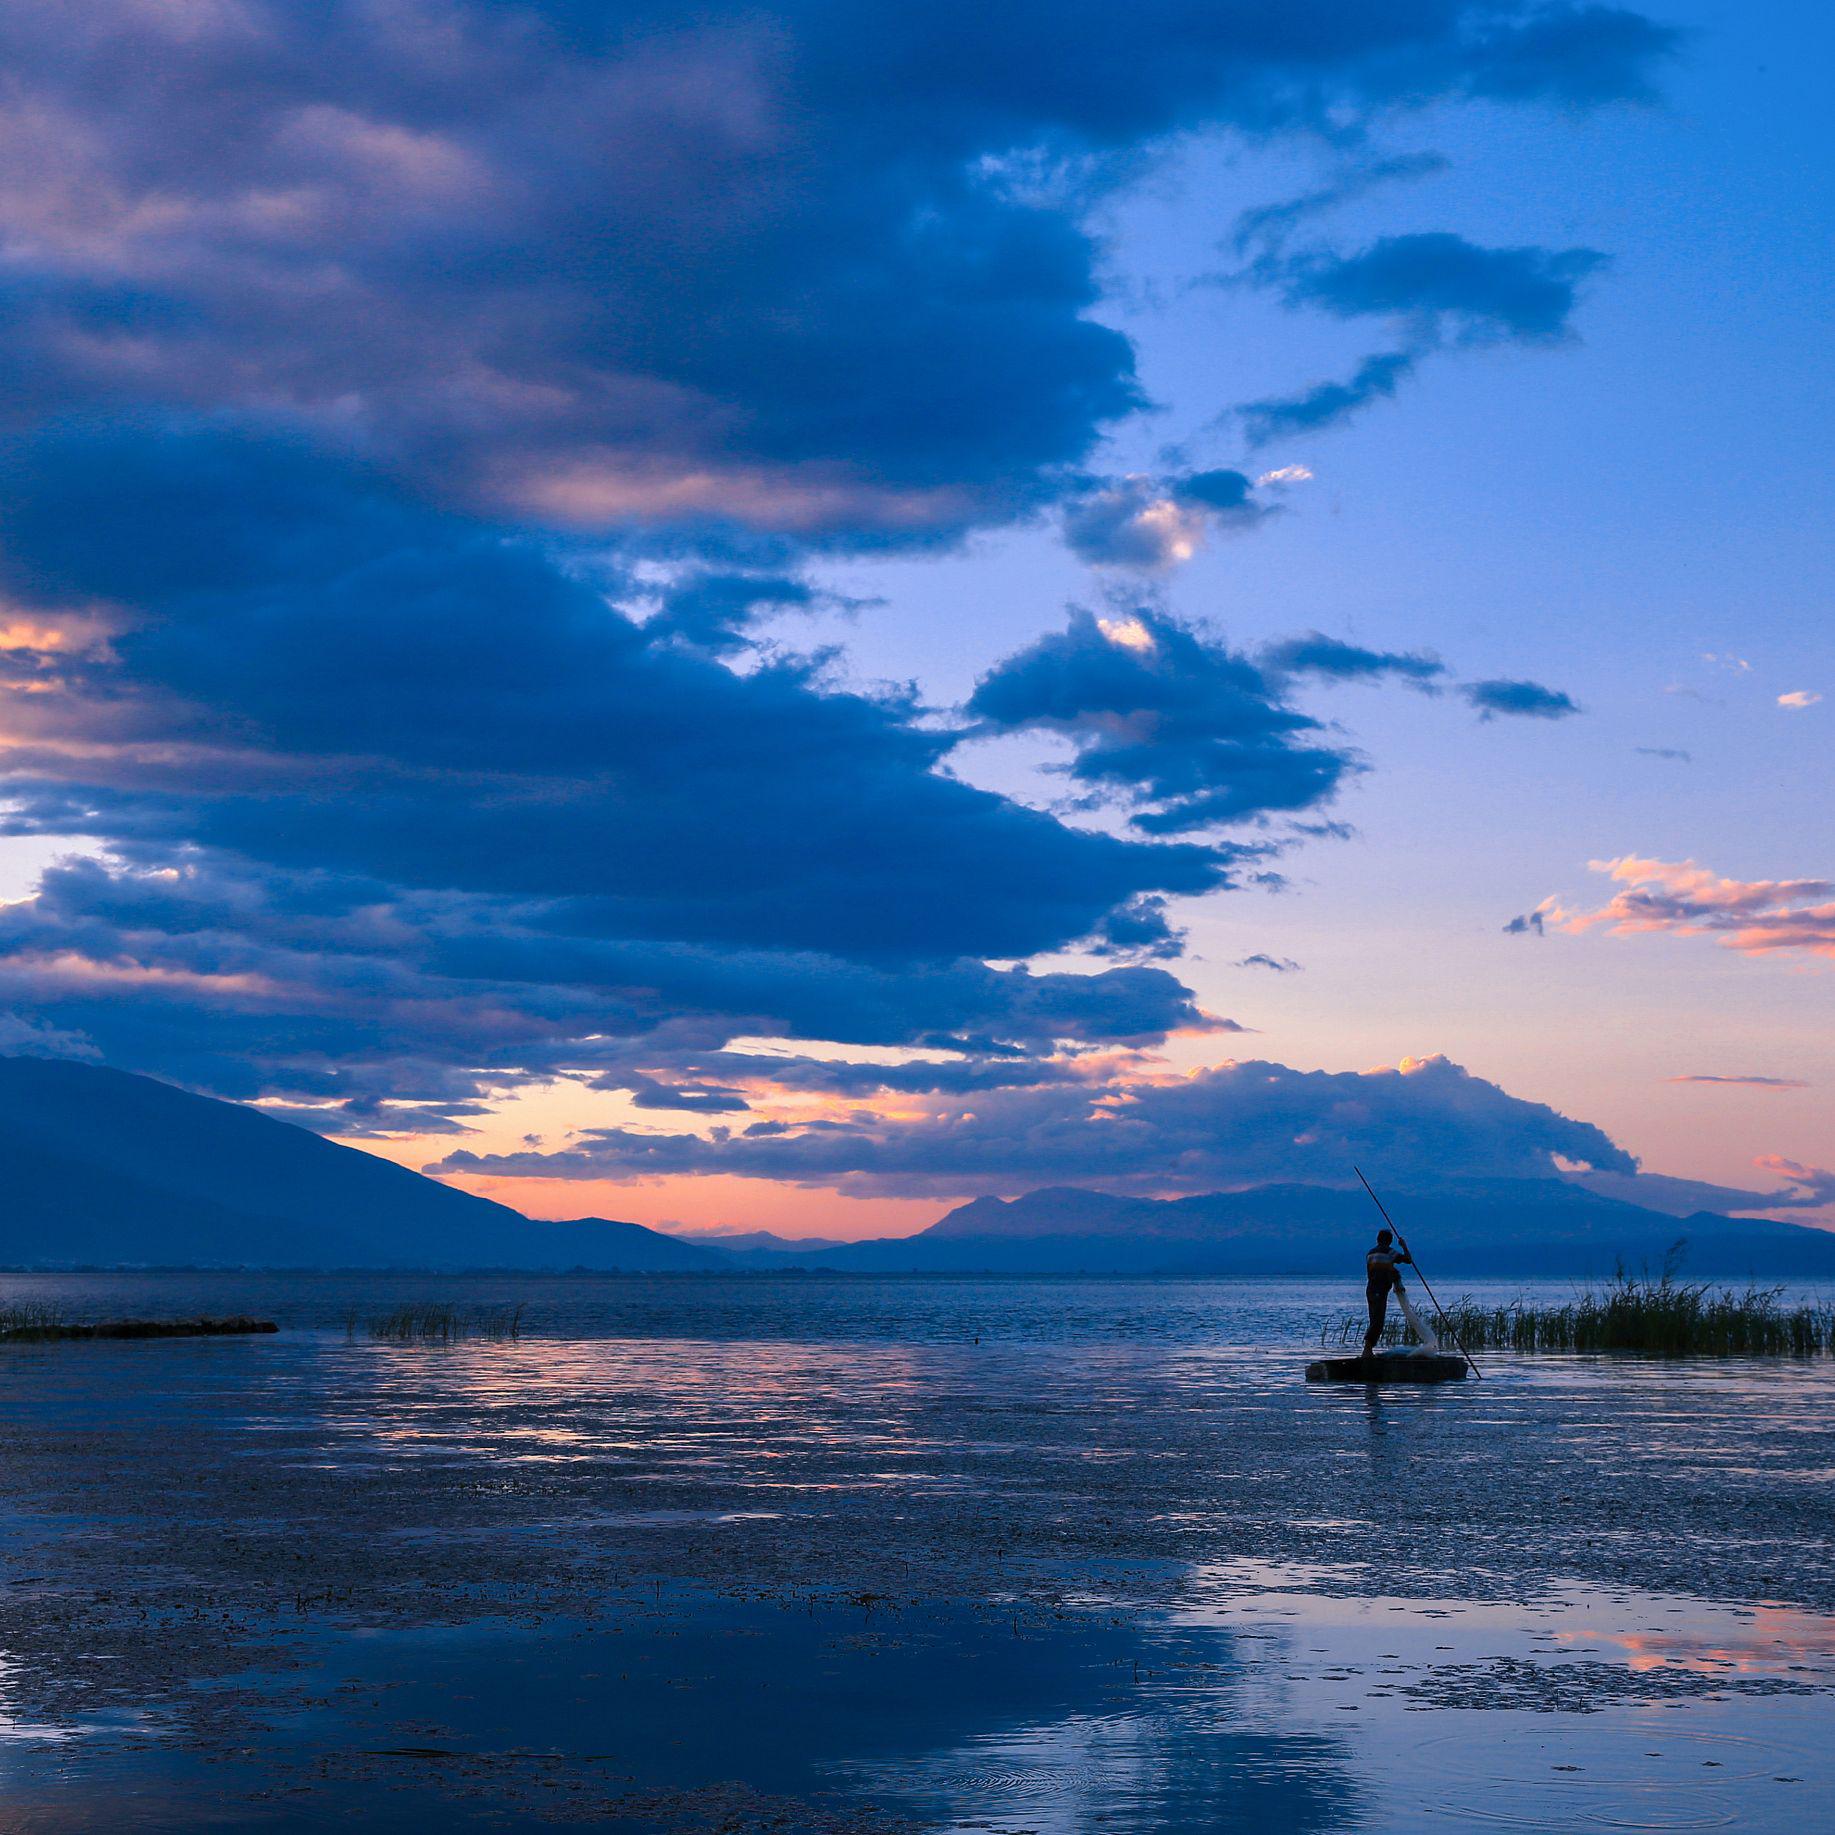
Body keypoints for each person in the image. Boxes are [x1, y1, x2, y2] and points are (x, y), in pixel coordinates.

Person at [1362, 1228, 1412, 1358]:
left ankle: (1368, 1351)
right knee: (1378, 1321)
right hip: (1380, 1290)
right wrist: (1404, 1246)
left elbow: (1382, 1267)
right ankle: (1367, 1351)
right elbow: (1408, 1260)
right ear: (1389, 1241)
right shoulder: (1389, 1252)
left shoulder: (1370, 1253)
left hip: (1370, 1290)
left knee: (1374, 1318)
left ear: (1378, 1239)